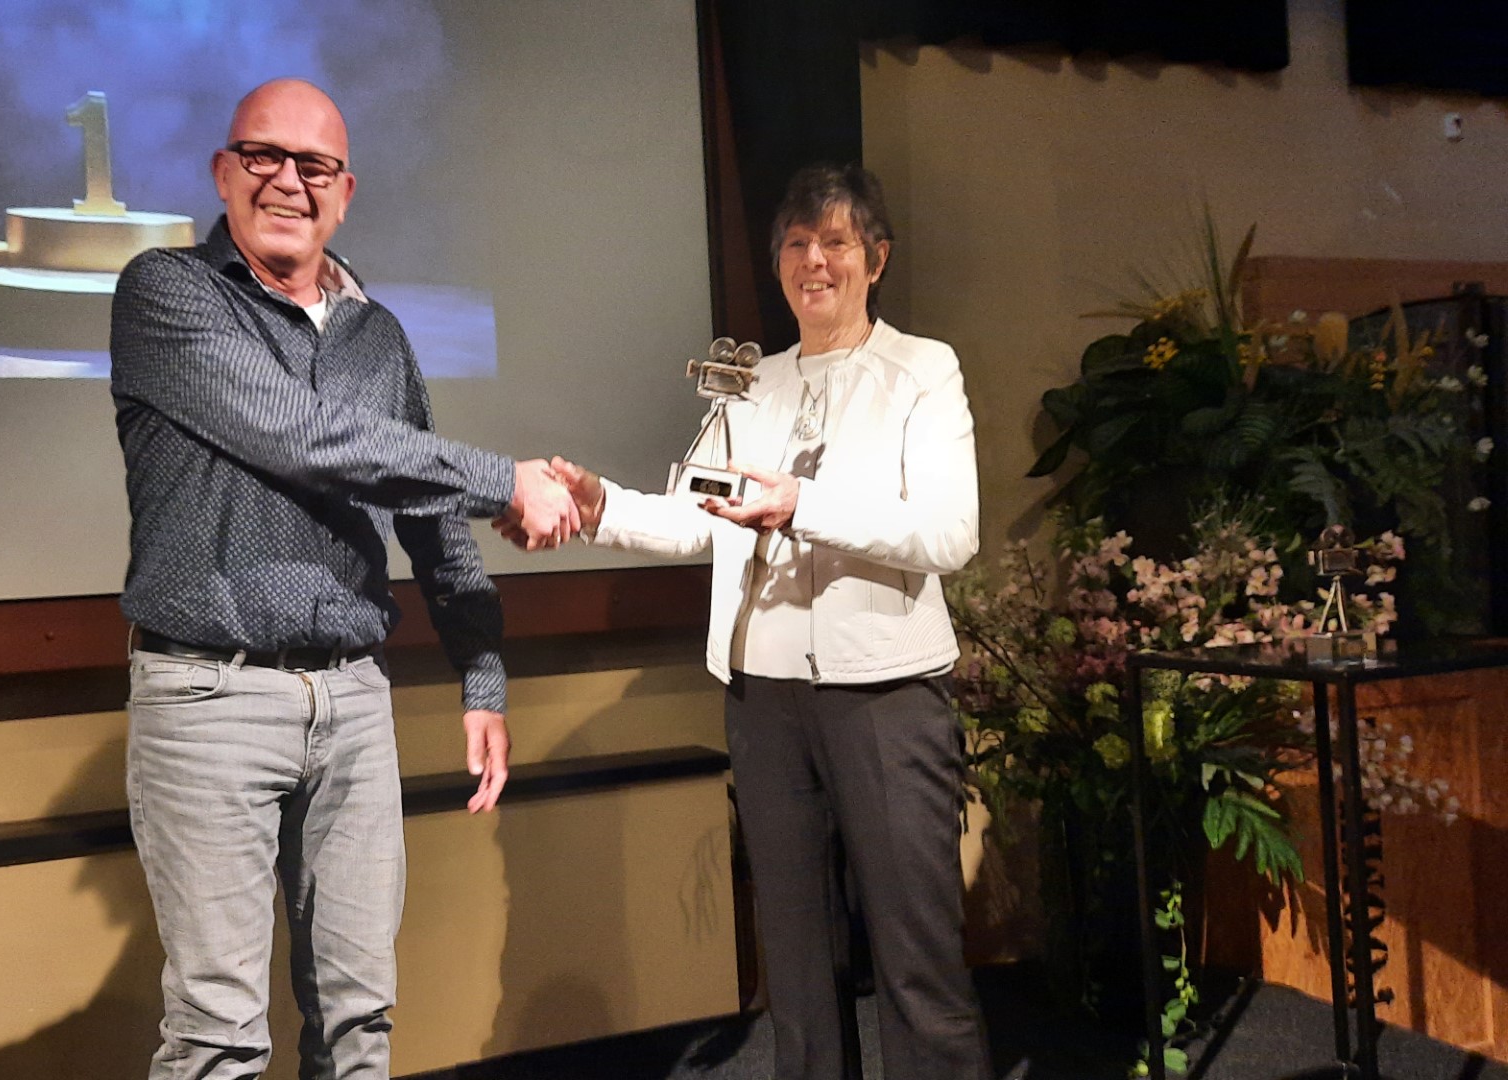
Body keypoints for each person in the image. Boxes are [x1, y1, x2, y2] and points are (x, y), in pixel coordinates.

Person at [108, 78, 580, 1080]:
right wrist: (508, 480)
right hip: (210, 695)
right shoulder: (167, 292)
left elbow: (427, 516)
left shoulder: (379, 336)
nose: (288, 181)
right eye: (263, 156)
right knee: (218, 1036)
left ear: (346, 191)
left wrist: (482, 674)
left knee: (360, 1024)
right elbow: (306, 437)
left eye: (314, 165)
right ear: (223, 173)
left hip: (354, 704)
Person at [509, 163, 989, 1080]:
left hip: (885, 696)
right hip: (764, 700)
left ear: (877, 258)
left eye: (837, 242)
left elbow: (948, 533)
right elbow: (698, 518)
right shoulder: (751, 384)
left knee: (917, 959)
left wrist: (801, 504)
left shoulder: (922, 370)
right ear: (778, 265)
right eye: (797, 244)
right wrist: (602, 505)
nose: (816, 261)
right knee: (797, 969)